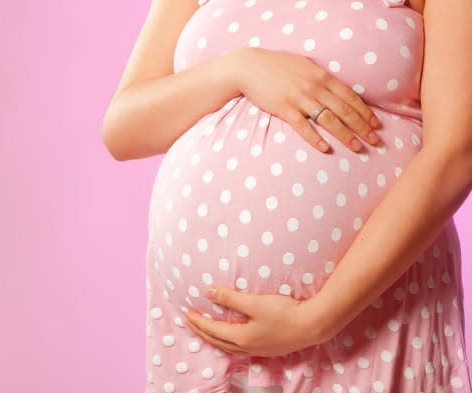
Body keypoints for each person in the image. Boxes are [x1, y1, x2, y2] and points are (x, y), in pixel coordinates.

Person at [101, 0, 472, 392]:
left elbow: (456, 151)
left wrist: (318, 319)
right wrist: (237, 69)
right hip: (203, 343)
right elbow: (122, 128)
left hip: (366, 318)